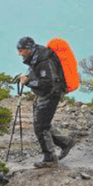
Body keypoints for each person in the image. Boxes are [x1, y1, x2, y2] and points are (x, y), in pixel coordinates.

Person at [15, 36, 74, 168]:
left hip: (50, 94)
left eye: (21, 51)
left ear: (28, 49)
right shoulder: (37, 56)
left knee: (41, 127)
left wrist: (28, 82)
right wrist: (29, 78)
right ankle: (65, 143)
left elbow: (47, 83)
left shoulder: (43, 60)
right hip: (46, 94)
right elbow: (42, 77)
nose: (19, 53)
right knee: (43, 124)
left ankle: (50, 159)